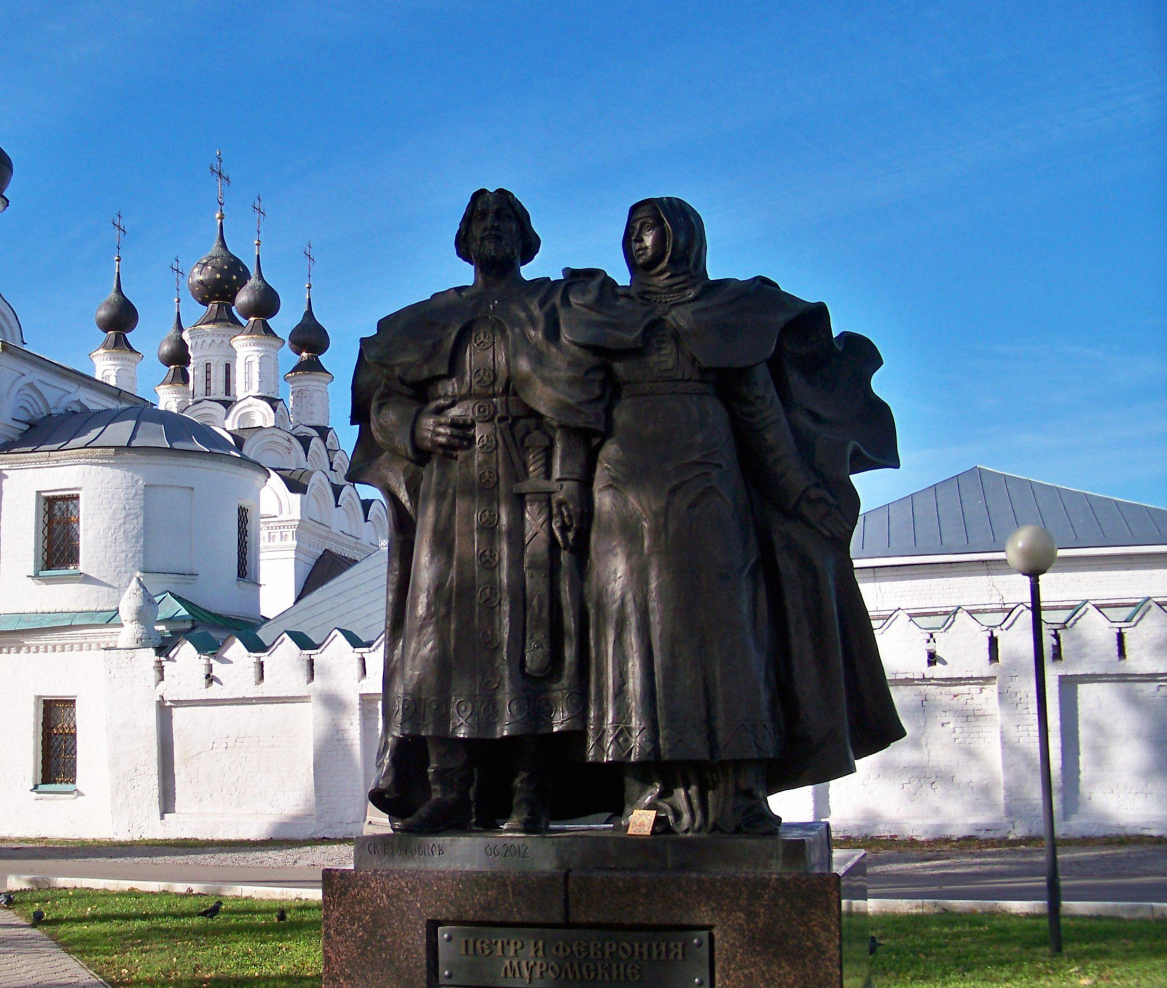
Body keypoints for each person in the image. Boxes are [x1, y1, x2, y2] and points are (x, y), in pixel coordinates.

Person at [562, 196, 906, 834]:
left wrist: (801, 492)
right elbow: (574, 409)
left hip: (707, 483)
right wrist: (564, 483)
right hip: (622, 490)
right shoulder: (603, 313)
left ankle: (737, 792)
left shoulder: (730, 311)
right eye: (633, 230)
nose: (639, 241)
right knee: (631, 634)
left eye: (652, 230)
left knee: (724, 632)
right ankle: (646, 795)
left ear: (683, 238)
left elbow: (760, 414)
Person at [347, 189, 611, 833]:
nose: (492, 228)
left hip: (532, 488)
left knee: (539, 640)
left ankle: (530, 796)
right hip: (450, 497)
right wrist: (413, 423)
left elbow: (579, 396)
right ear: (463, 239)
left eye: (507, 219)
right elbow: (381, 400)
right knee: (442, 640)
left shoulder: (553, 307)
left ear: (528, 238)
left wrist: (573, 475)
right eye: (481, 219)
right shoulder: (426, 319)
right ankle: (448, 791)